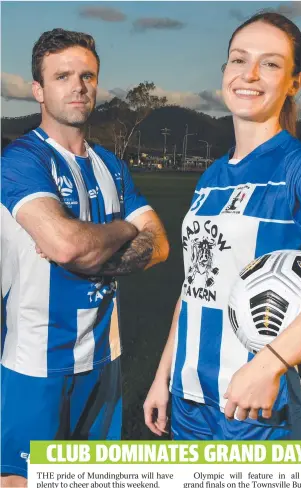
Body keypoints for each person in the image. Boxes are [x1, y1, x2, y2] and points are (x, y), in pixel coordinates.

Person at [144, 12, 301, 440]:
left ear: (294, 81)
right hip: (188, 400)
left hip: (253, 406)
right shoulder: (212, 178)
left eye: (271, 64)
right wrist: (164, 375)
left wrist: (270, 363)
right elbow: (196, 286)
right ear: (225, 71)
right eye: (239, 60)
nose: (250, 74)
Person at [1, 28, 169, 485]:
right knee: (21, 479)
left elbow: (159, 244)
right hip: (36, 361)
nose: (78, 86)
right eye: (62, 76)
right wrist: (122, 229)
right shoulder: (21, 160)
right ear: (38, 90)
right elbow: (67, 245)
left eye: (87, 75)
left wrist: (92, 254)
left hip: (104, 357)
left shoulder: (111, 166)